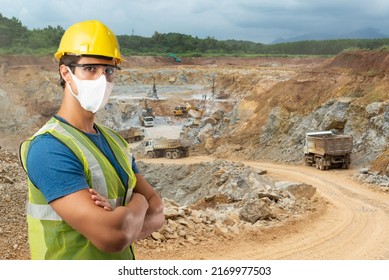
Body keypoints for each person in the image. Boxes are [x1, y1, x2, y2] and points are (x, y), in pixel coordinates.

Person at [19, 20, 164, 260]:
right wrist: (139, 202)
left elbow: (158, 212)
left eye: (109, 71)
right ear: (66, 72)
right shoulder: (50, 148)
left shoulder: (116, 142)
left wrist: (123, 219)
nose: (102, 79)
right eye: (90, 69)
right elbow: (113, 236)